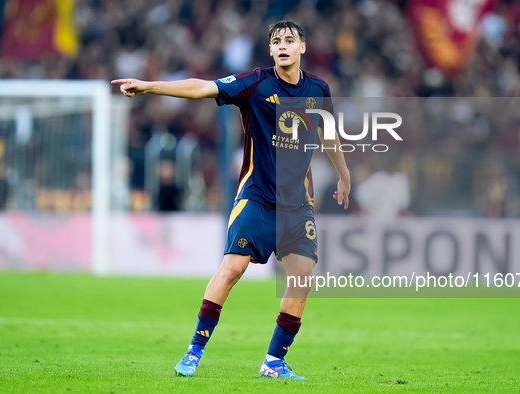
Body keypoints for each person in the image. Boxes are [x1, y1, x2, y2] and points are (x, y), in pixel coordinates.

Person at [112, 20, 350, 380]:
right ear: (270, 51)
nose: (283, 46)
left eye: (290, 40)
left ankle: (273, 362)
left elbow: (328, 134)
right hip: (256, 197)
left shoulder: (318, 89)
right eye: (276, 42)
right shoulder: (255, 83)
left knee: (302, 280)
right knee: (232, 269)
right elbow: (201, 88)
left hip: (297, 204)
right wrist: (149, 87)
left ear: (302, 46)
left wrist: (344, 174)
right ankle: (194, 351)